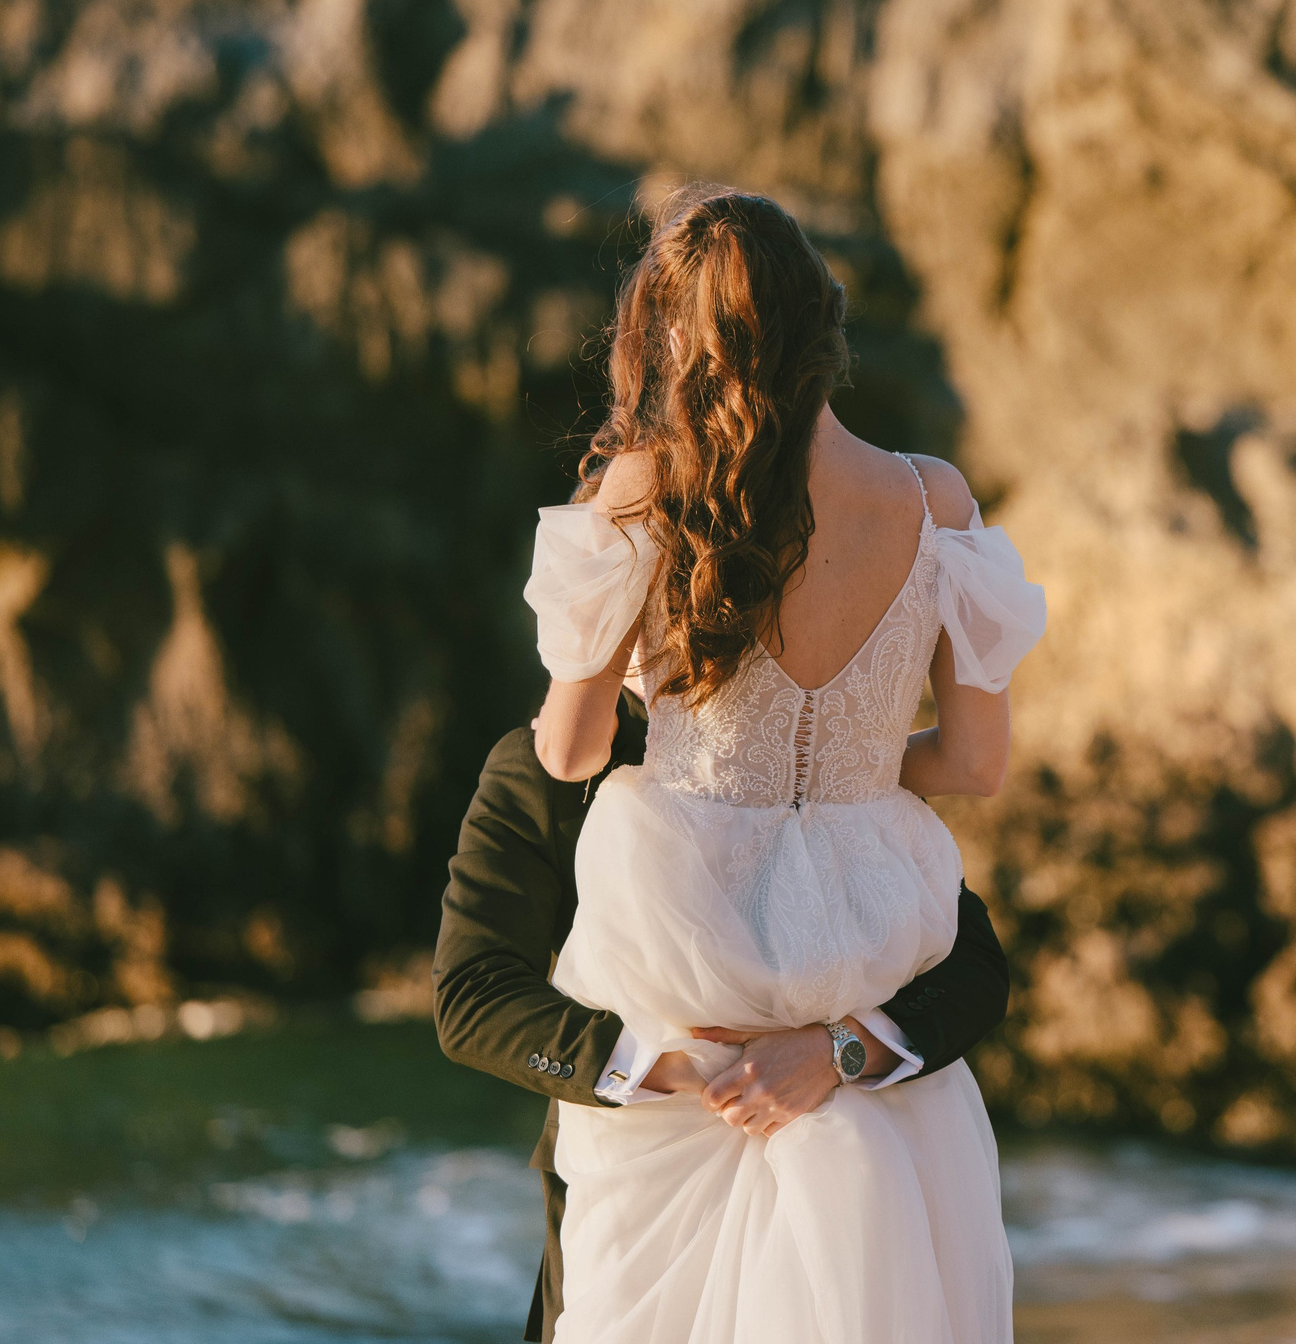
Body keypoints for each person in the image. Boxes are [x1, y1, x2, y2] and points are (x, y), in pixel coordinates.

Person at [454, 186, 1045, 1343]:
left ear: (676, 340)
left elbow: (569, 748)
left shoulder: (645, 493)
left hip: (690, 944)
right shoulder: (937, 501)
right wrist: (855, 765)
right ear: (824, 328)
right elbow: (975, 762)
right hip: (866, 937)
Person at [429, 694, 1011, 1341]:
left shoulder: (833, 757)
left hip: (858, 1192)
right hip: (633, 1195)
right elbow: (473, 994)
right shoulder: (549, 764)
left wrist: (839, 1049)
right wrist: (666, 1066)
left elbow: (974, 965)